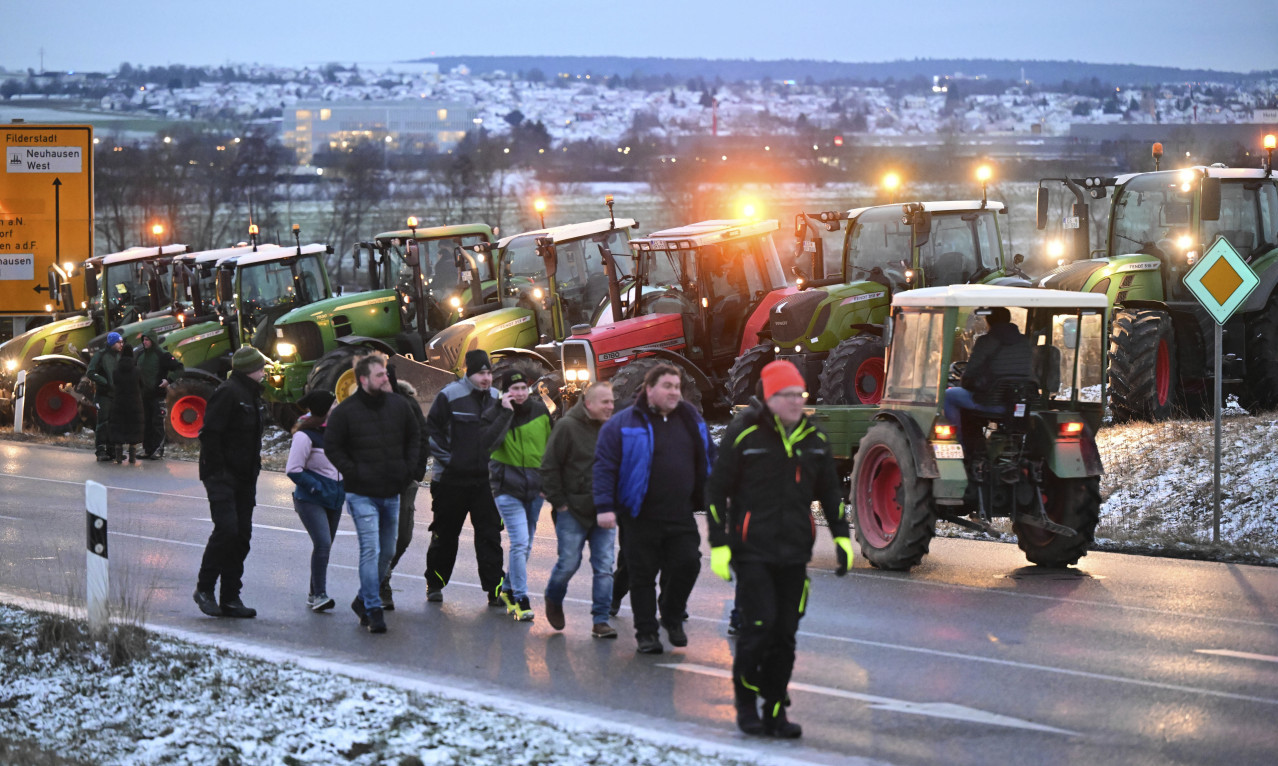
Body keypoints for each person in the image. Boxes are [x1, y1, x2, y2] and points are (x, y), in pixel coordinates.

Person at [707, 359, 853, 738]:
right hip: (751, 549)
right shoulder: (744, 434)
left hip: (794, 552)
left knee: (785, 634)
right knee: (759, 627)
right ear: (769, 398)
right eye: (786, 395)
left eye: (799, 395)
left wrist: (840, 536)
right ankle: (746, 704)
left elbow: (830, 492)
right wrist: (719, 545)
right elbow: (716, 490)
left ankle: (775, 713)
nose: (795, 402)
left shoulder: (814, 438)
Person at [594, 363, 714, 655]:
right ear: (649, 389)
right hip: (638, 515)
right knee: (642, 576)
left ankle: (672, 616)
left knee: (688, 563)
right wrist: (605, 507)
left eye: (677, 387)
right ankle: (646, 634)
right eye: (668, 386)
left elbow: (711, 457)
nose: (675, 392)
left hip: (681, 513)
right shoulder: (623, 423)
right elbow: (604, 467)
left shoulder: (691, 419)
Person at [325, 355, 420, 635]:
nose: (386, 378)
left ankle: (362, 599)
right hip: (361, 493)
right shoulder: (346, 412)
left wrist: (407, 470)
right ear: (363, 380)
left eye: (385, 374)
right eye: (380, 375)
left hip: (392, 491)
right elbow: (333, 447)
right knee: (371, 550)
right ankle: (373, 608)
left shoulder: (398, 406)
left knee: (388, 551)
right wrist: (353, 472)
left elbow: (414, 436)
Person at [424, 349, 507, 608]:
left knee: (490, 535)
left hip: (486, 482)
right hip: (450, 481)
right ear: (468, 372)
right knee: (445, 534)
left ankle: (495, 589)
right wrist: (451, 461)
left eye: (489, 373)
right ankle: (435, 583)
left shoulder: (497, 399)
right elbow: (432, 432)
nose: (486, 378)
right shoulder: (449, 396)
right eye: (481, 373)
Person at [193, 346, 269, 619]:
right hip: (222, 476)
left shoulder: (254, 395)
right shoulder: (228, 392)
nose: (265, 371)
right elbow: (210, 434)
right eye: (261, 367)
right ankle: (204, 589)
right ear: (251, 369)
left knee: (242, 537)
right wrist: (219, 471)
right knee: (227, 530)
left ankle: (230, 597)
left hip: (246, 477)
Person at [541, 381, 618, 638]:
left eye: (612, 401)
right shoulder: (566, 427)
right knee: (568, 564)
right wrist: (559, 502)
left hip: (603, 510)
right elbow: (549, 466)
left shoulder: (612, 429)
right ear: (588, 404)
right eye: (605, 402)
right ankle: (553, 597)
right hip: (571, 510)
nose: (610, 406)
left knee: (605, 567)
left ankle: (600, 620)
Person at [482, 369, 553, 622]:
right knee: (520, 542)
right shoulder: (493, 413)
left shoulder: (540, 411)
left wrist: (549, 482)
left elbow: (551, 447)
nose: (520, 393)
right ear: (505, 392)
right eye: (514, 389)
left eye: (523, 388)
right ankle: (521, 598)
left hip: (536, 489)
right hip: (506, 488)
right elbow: (488, 444)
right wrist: (505, 413)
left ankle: (508, 589)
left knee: (526, 544)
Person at [942, 307, 1035, 456]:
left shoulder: (986, 341)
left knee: (949, 395)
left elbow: (971, 372)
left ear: (989, 320)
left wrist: (965, 381)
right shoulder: (1025, 342)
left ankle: (958, 446)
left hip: (991, 402)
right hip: (1018, 404)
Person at [286, 390, 344, 614]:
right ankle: (319, 594)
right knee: (322, 542)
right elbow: (293, 469)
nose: (337, 406)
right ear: (324, 410)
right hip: (310, 499)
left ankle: (314, 594)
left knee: (325, 546)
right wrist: (315, 486)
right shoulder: (305, 436)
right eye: (334, 404)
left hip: (335, 498)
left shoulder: (337, 433)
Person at [380, 363, 430, 612]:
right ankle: (380, 584)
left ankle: (382, 575)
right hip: (376, 486)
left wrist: (415, 474)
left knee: (403, 536)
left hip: (405, 483)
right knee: (381, 539)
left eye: (385, 378)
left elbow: (422, 437)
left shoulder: (407, 404)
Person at [135, 331, 183, 459]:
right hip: (143, 395)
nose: (145, 342)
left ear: (153, 340)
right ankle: (147, 449)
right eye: (143, 340)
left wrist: (169, 380)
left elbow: (179, 368)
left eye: (147, 340)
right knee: (146, 422)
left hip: (157, 394)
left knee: (157, 422)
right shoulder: (140, 355)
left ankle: (158, 450)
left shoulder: (162, 354)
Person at [86, 331, 125, 462]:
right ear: (112, 342)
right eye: (119, 342)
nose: (121, 344)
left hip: (116, 395)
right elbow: (91, 372)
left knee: (114, 423)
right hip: (104, 395)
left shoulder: (119, 357)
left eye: (122, 342)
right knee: (103, 423)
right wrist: (105, 382)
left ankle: (112, 449)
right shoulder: (101, 355)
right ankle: (101, 450)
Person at [108, 345, 144, 464]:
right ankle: (132, 456)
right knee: (133, 427)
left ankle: (118, 455)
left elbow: (114, 384)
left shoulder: (116, 371)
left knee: (119, 426)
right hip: (134, 402)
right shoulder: (137, 370)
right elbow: (142, 385)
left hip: (119, 402)